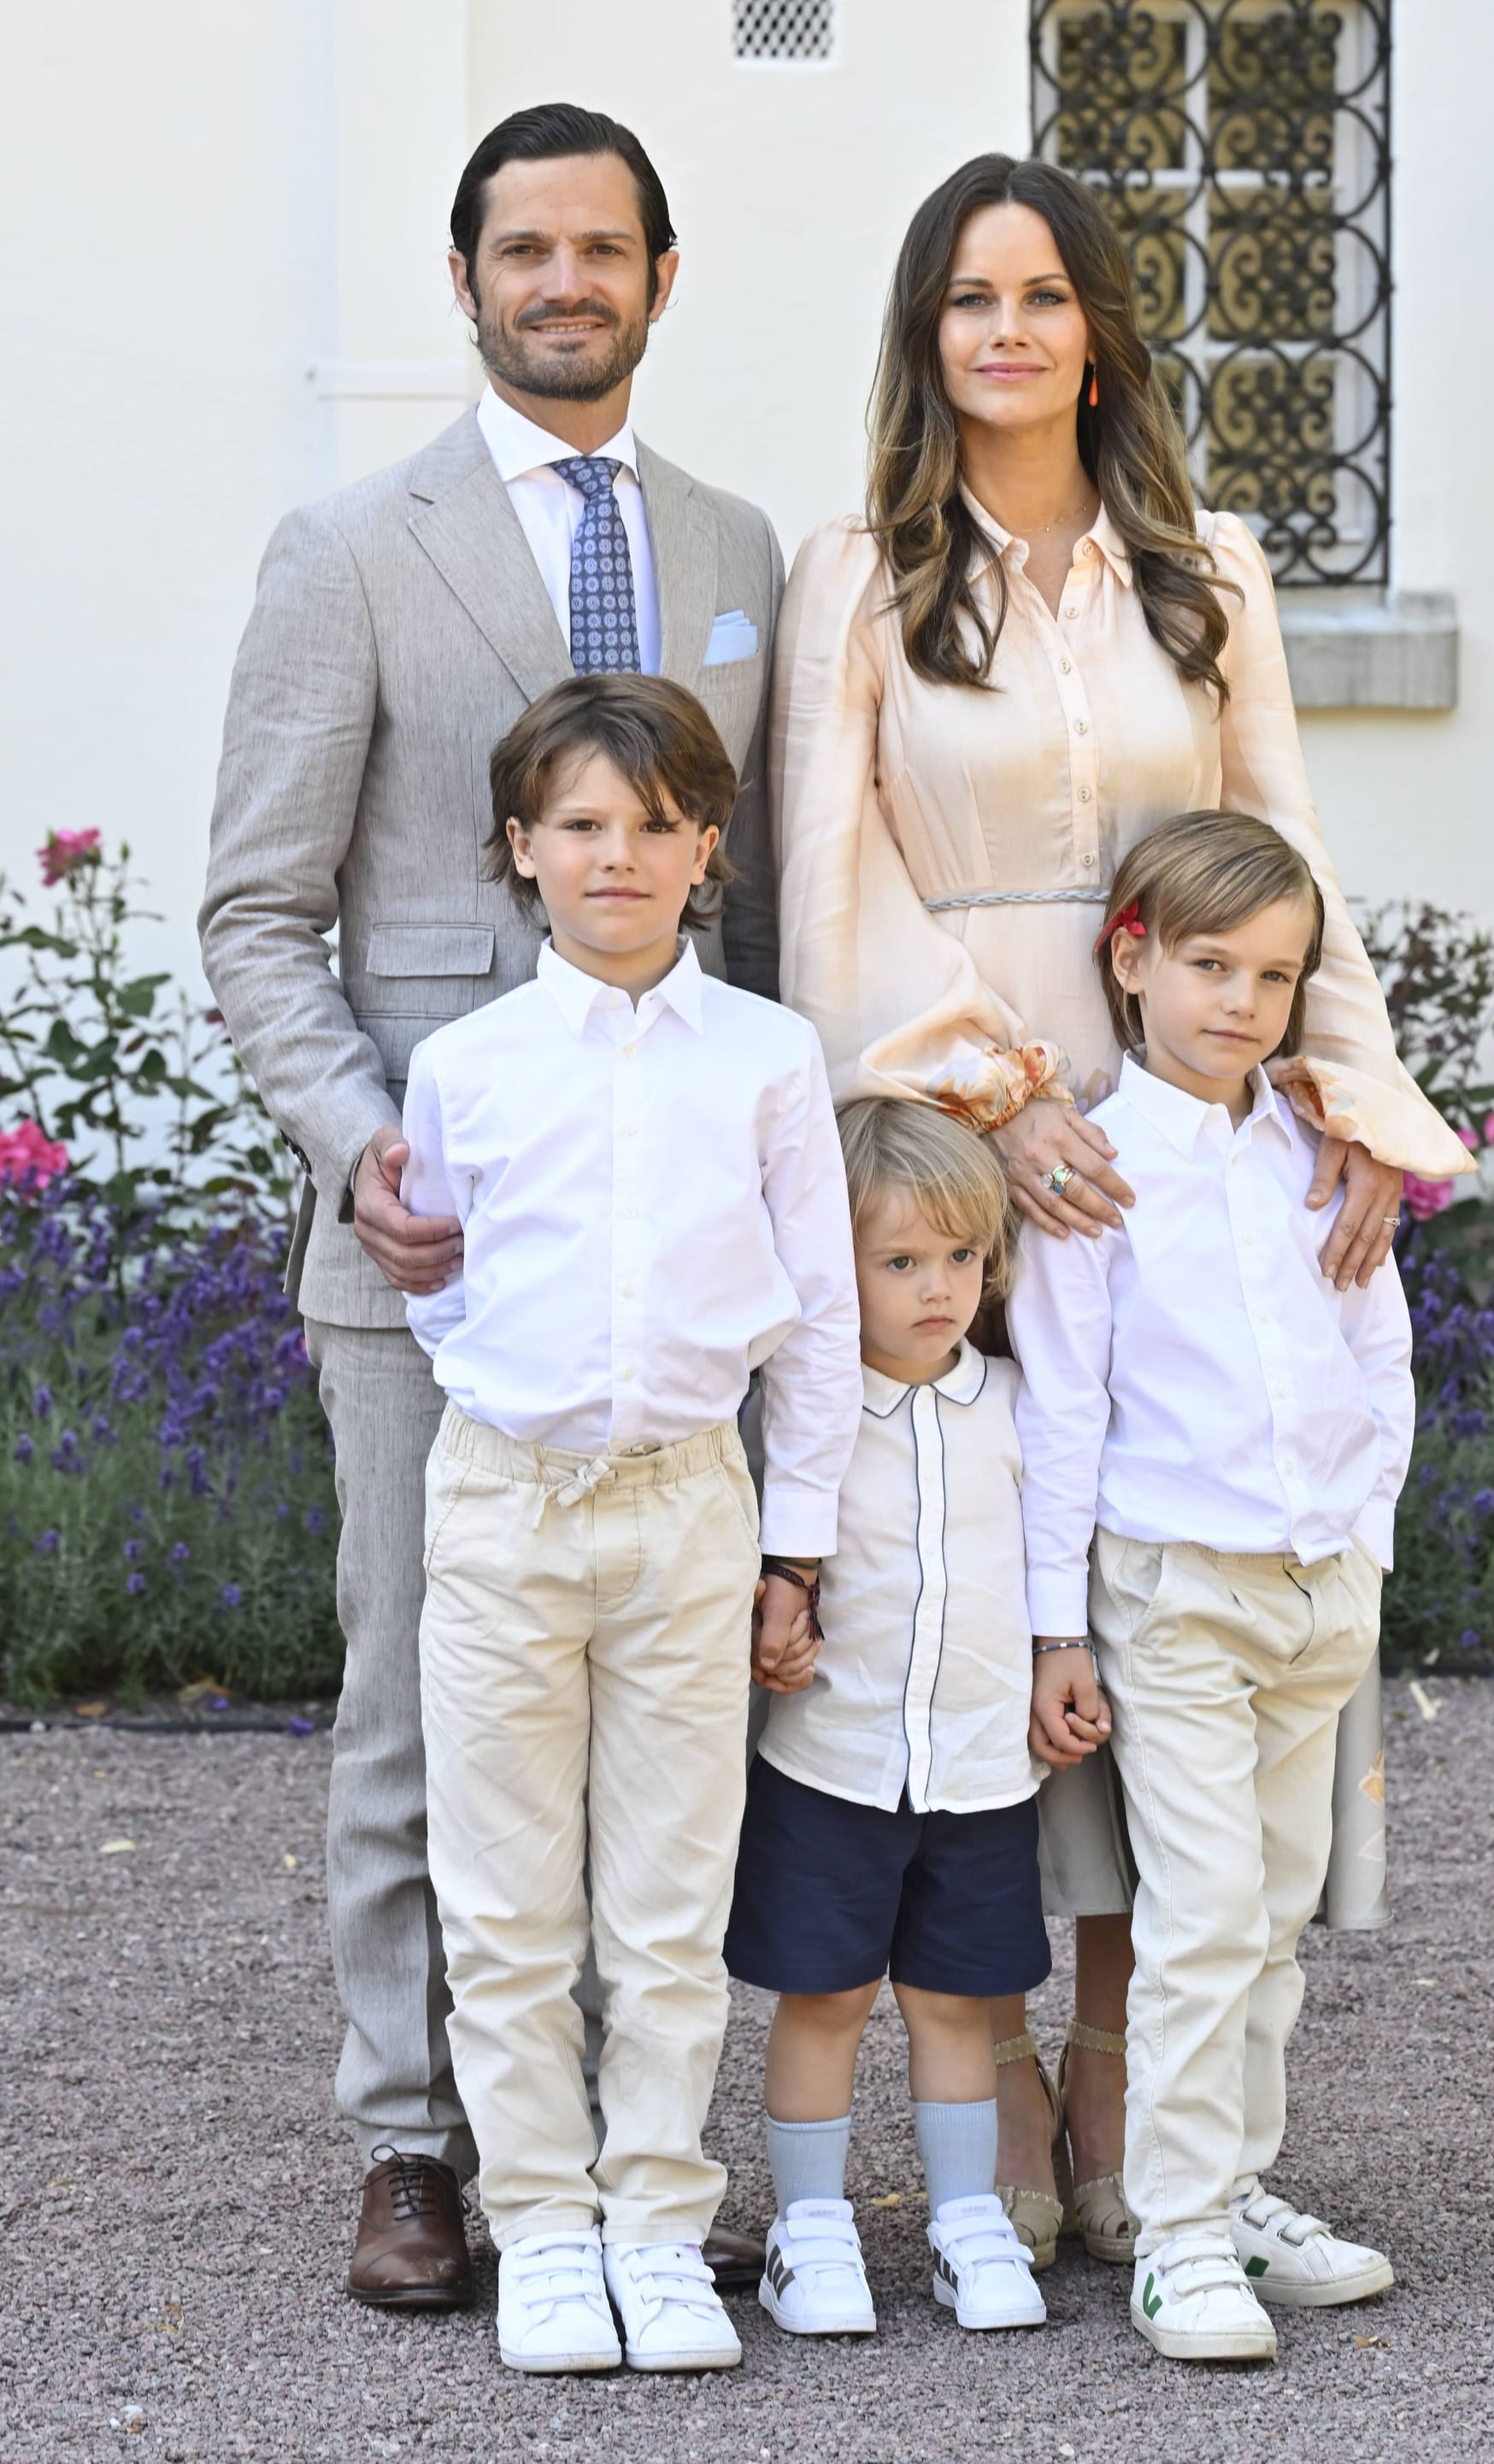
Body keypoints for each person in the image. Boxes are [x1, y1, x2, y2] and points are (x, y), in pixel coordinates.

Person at [769, 150, 1473, 2265]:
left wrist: (1345, 1091)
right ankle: (1013, 2145)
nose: (1008, 330)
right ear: (928, 334)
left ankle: (1156, 2147)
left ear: (1098, 326)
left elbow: (1284, 840)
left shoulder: (1210, 565)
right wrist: (1009, 1098)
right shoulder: (864, 575)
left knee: (1192, 1566)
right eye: (969, 298)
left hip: (1205, 1119)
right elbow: (835, 889)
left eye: (1044, 293)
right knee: (1036, 1604)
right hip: (987, 1155)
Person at [199, 103, 785, 2302]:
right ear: (467, 282)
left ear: (657, 272)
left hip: (671, 1254)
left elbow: (768, 900)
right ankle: (419, 2142)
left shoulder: (736, 544)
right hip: (429, 1245)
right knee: (415, 1700)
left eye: (603, 246)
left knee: (663, 1706)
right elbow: (260, 908)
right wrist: (364, 1142)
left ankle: (642, 2160)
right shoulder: (347, 545)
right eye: (523, 249)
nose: (565, 281)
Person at [399, 673, 861, 2374]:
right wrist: (524, 1413)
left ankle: (660, 2214)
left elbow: (817, 1310)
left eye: (656, 825)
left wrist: (792, 1543)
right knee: (507, 1891)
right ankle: (538, 2220)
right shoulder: (466, 1063)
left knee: (669, 1891)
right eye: (581, 825)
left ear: (707, 845)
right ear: (522, 848)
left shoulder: (764, 1054)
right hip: (508, 1507)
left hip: (689, 1509)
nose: (619, 856)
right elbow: (443, 1287)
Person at [1010, 809, 1412, 2361]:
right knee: (1200, 1913)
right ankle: (1174, 2239)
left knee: (1274, 1922)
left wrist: (1361, 1538)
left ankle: (1231, 2189)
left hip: (1319, 1592)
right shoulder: (1097, 1171)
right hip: (1174, 1593)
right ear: (1132, 961)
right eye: (1207, 966)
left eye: (1274, 976)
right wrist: (1059, 1627)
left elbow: (1381, 1360)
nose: (1241, 1001)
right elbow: (1061, 1406)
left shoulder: (1323, 1151)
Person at [724, 1098, 1057, 2338]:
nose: (938, 1289)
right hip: (833, 1763)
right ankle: (809, 2230)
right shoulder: (796, 1420)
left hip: (980, 1770)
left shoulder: (1019, 1408)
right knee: (823, 1999)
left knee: (956, 2005)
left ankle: (966, 2218)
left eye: (961, 1259)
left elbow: (1051, 1568)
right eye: (900, 1262)